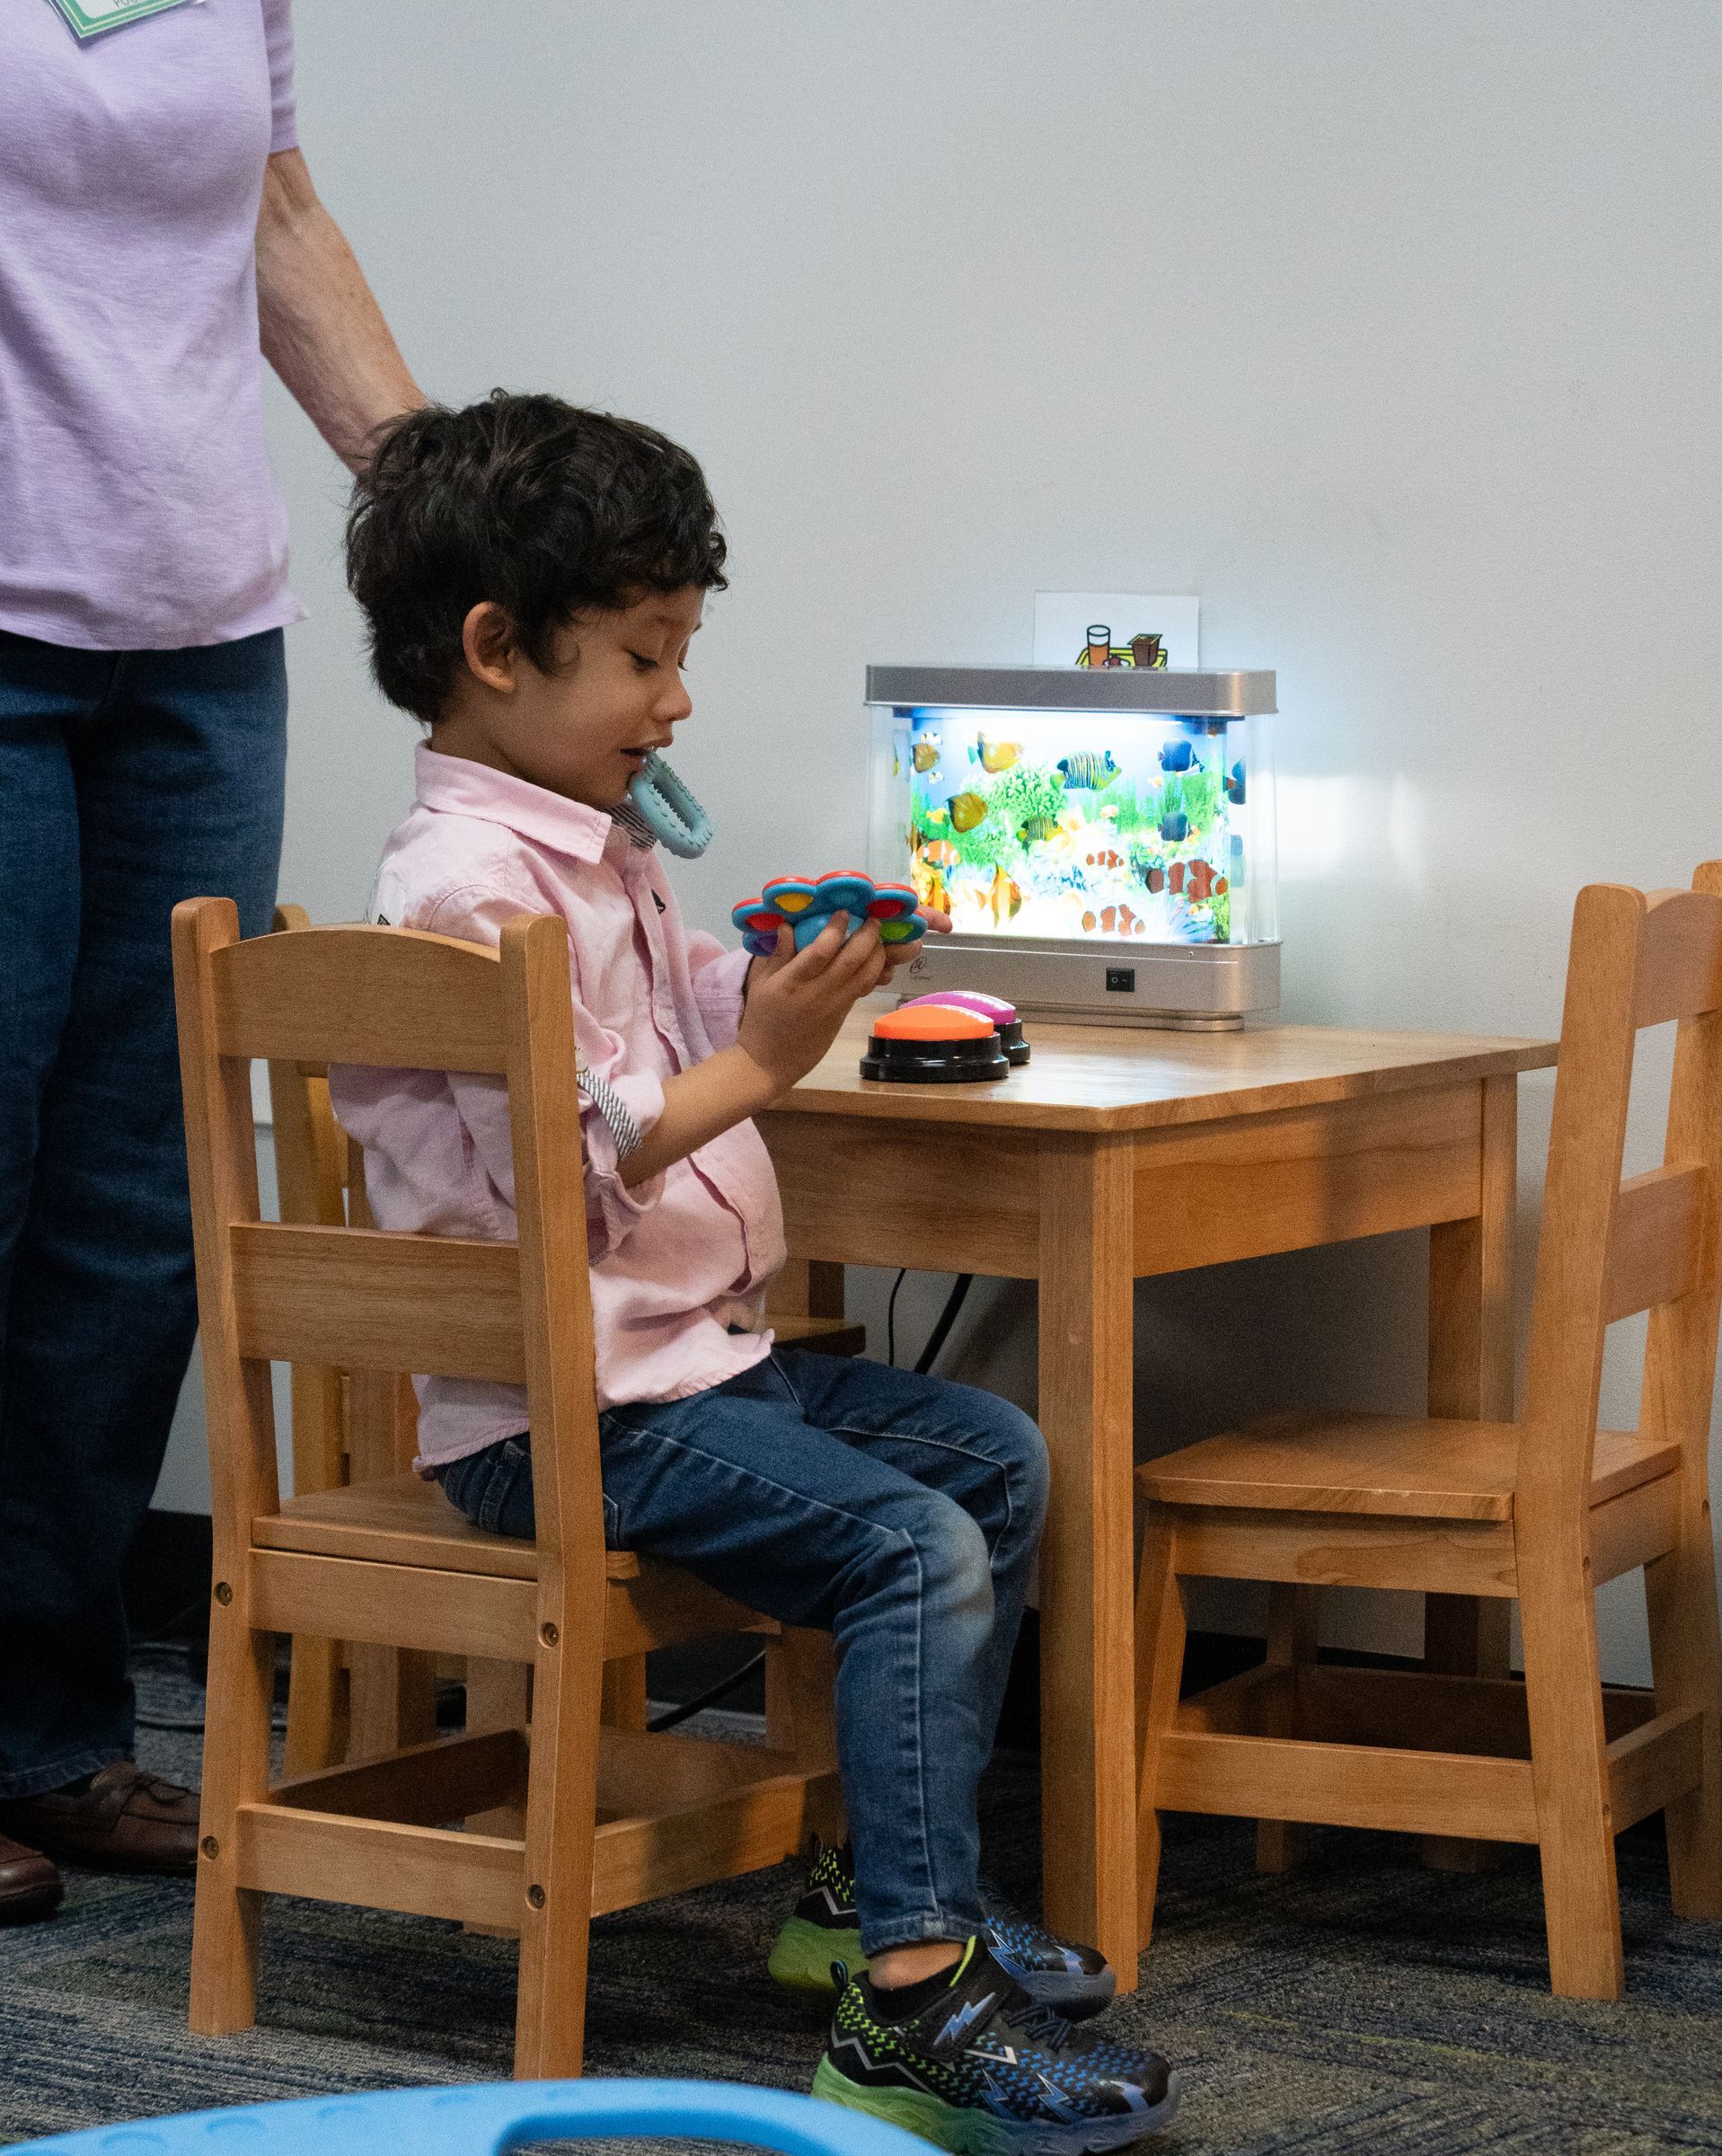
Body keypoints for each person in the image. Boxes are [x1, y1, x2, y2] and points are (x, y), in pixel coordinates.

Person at [328, 393, 1178, 2149]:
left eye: (681, 654)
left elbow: (649, 1029)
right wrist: (768, 1061)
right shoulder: (469, 889)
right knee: (910, 1541)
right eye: (645, 655)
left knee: (993, 1460)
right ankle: (913, 2006)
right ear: (495, 651)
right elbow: (582, 1165)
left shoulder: (593, 842)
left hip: (681, 1369)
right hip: (563, 1410)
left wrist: (769, 982)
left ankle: (877, 1896)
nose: (678, 699)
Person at [0, 0, 422, 1922]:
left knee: (136, 1220)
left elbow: (274, 214)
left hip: (197, 649)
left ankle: (43, 1731)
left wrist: (442, 506)